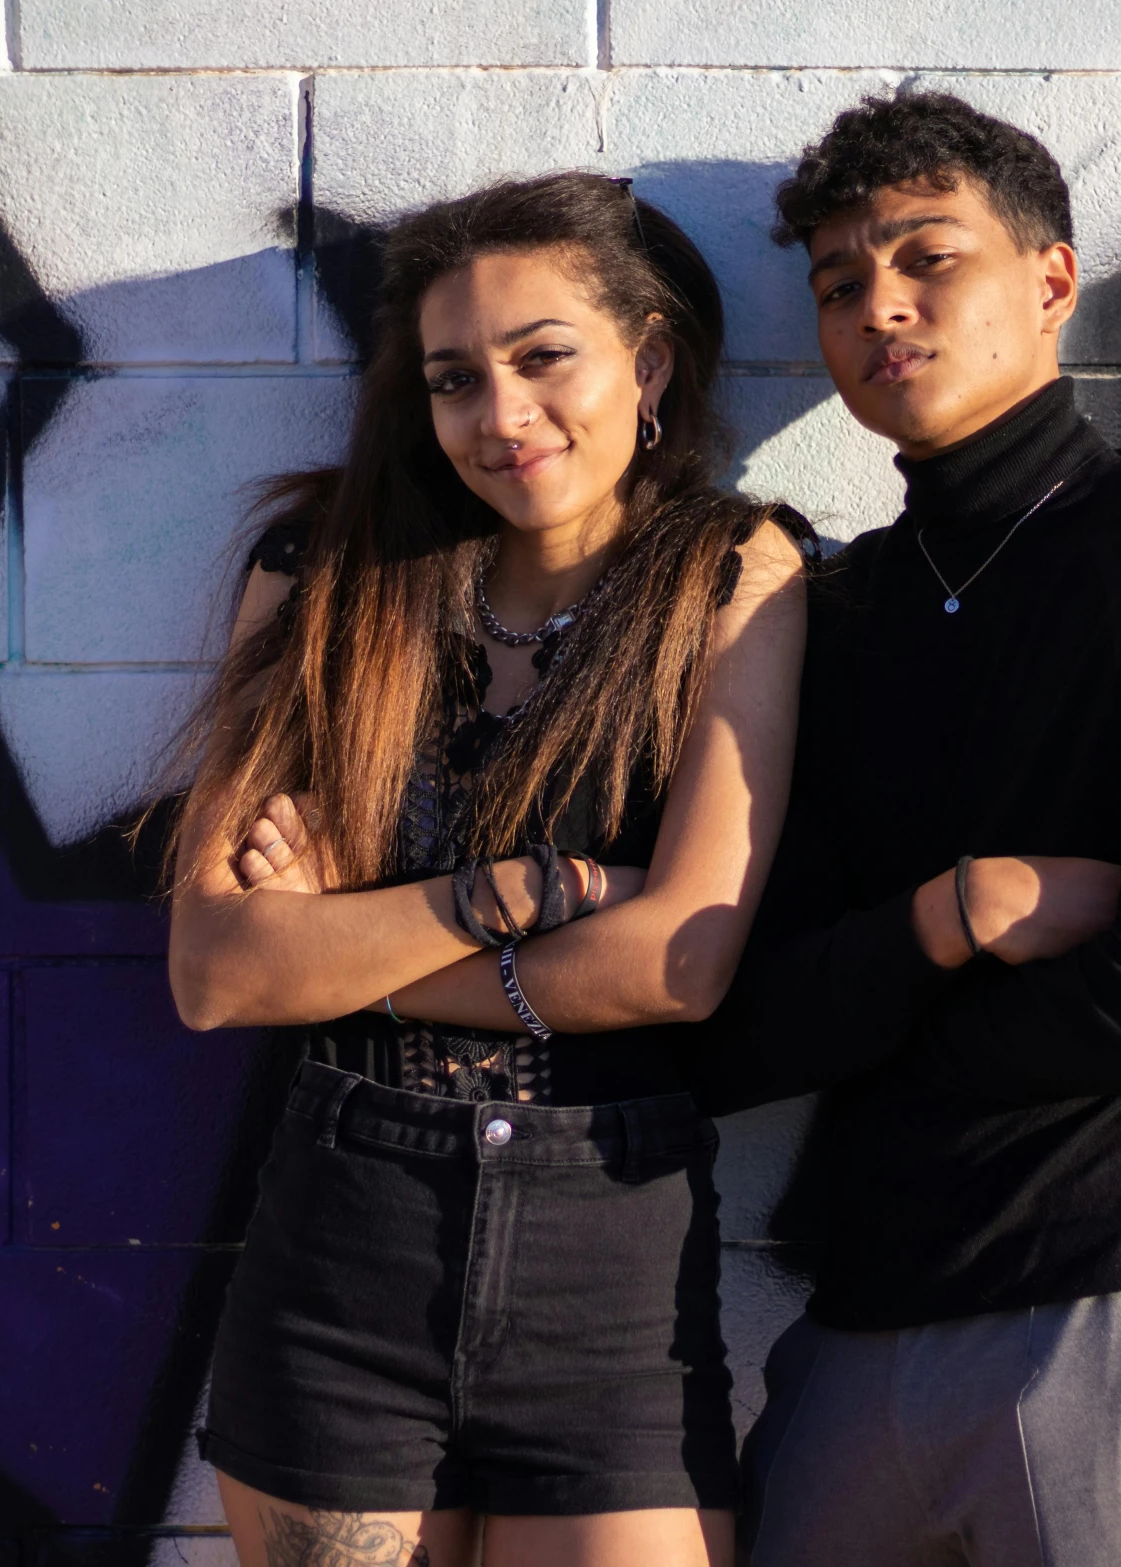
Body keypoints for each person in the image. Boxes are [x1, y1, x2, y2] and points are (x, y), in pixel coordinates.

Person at [689, 91, 1121, 1566]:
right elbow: (733, 1035)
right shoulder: (821, 619)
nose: (881, 308)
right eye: (840, 284)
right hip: (859, 1333)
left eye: (928, 259)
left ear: (1050, 279)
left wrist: (874, 1014)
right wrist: (953, 915)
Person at [164, 172, 806, 1567]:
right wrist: (504, 899)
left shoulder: (730, 572)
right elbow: (219, 972)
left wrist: (340, 938)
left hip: (609, 1251)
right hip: (348, 1231)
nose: (499, 415)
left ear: (645, 362)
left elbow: (676, 963)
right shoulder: (324, 570)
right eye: (456, 379)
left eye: (541, 359)